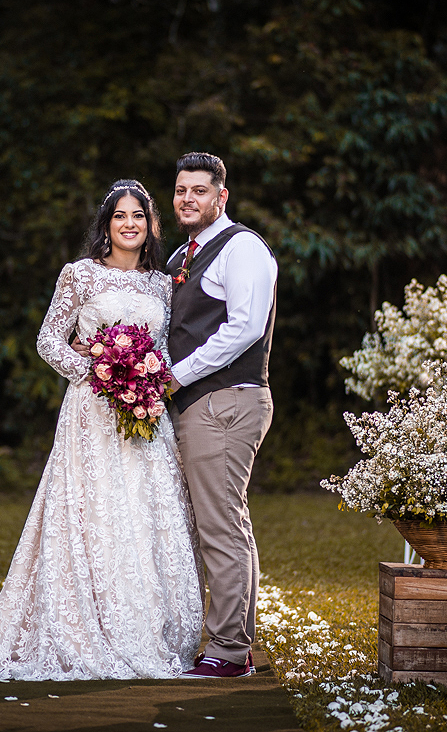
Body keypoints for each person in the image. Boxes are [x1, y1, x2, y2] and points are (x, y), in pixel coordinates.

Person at [0, 180, 204, 681]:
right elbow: (48, 339)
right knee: (93, 512)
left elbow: (166, 349)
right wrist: (97, 369)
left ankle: (147, 630)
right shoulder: (80, 276)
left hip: (145, 416)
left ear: (150, 226)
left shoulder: (161, 284)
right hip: (90, 411)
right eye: (119, 217)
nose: (129, 224)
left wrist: (148, 375)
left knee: (143, 511)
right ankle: (83, 625)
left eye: (138, 216)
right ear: (106, 225)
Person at [166, 152, 277, 679]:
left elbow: (244, 328)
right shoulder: (181, 257)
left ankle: (229, 653)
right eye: (181, 190)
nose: (188, 199)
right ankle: (234, 646)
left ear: (221, 196)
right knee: (227, 526)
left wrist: (175, 377)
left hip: (225, 402)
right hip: (199, 405)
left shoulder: (242, 248)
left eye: (199, 190)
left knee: (220, 531)